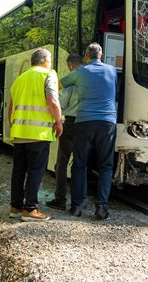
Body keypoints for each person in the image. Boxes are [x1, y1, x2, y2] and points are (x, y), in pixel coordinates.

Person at [61, 42, 117, 220]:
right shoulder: (112, 70)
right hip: (107, 122)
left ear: (86, 57)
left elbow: (60, 84)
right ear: (101, 55)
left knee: (79, 164)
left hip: (84, 121)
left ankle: (77, 206)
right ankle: (102, 207)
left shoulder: (80, 72)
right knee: (106, 166)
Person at [8, 48, 63, 222]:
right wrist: (59, 121)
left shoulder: (19, 79)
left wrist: (15, 127)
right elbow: (52, 100)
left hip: (19, 133)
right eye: (51, 60)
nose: (51, 63)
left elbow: (10, 109)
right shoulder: (48, 74)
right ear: (45, 60)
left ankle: (15, 207)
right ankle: (30, 209)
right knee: (36, 171)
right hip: (38, 133)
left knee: (19, 171)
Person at [46, 53, 84, 211]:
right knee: (80, 164)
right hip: (86, 124)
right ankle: (78, 203)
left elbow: (61, 103)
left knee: (61, 163)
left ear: (70, 65)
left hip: (71, 123)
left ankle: (60, 199)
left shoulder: (71, 80)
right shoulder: (91, 79)